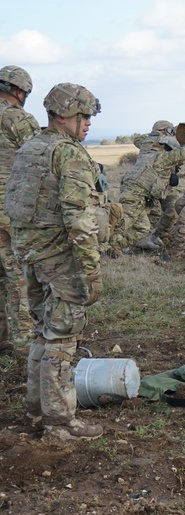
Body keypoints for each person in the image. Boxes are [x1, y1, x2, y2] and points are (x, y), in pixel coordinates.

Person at [3, 83, 108, 440]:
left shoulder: (30, 147)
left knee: (42, 335)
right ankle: (61, 424)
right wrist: (90, 271)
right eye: (84, 116)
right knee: (62, 340)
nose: (88, 123)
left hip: (31, 257)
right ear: (65, 115)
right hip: (60, 261)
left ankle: (36, 412)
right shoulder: (70, 153)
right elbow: (78, 218)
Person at [0, 66, 40, 352]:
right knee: (19, 275)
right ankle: (24, 340)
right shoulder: (17, 118)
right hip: (8, 210)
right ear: (19, 91)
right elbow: (43, 155)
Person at [110, 124, 185, 252]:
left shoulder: (149, 148)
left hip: (145, 192)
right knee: (122, 225)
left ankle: (116, 246)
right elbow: (183, 153)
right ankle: (104, 246)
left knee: (143, 225)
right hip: (136, 194)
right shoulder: (162, 156)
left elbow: (138, 139)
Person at [132, 120, 184, 245]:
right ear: (163, 131)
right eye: (170, 131)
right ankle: (150, 237)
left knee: (162, 211)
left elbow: (137, 139)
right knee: (165, 211)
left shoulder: (145, 141)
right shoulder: (163, 141)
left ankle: (152, 236)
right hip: (154, 185)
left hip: (154, 183)